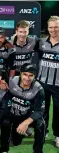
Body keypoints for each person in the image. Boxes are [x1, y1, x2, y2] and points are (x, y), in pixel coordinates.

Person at [0, 63, 45, 153]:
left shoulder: (38, 89)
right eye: (25, 74)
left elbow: (39, 111)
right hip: (12, 114)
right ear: (20, 74)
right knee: (13, 137)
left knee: (40, 123)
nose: (27, 78)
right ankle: (3, 152)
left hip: (27, 117)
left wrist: (26, 123)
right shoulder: (11, 81)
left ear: (35, 76)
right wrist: (1, 81)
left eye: (31, 76)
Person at [36, 16, 59, 145]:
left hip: (58, 85)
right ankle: (43, 131)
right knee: (43, 110)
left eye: (56, 27)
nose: (53, 30)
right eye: (51, 27)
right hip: (42, 83)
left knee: (58, 110)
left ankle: (58, 135)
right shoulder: (41, 42)